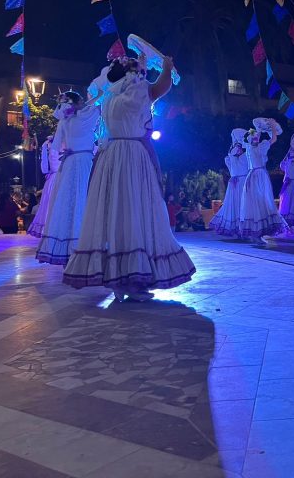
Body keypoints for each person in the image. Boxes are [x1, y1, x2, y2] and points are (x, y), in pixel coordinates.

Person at [63, 53, 196, 300]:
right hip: (132, 157)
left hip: (111, 157)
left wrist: (144, 67)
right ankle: (133, 280)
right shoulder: (136, 91)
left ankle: (118, 279)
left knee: (116, 214)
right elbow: (160, 88)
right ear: (131, 74)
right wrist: (166, 66)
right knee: (136, 212)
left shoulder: (110, 95)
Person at [36, 90, 101, 265]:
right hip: (85, 161)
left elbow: (57, 146)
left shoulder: (65, 121)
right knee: (86, 200)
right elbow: (97, 106)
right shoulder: (88, 117)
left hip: (70, 162)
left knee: (68, 203)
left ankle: (68, 248)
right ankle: (87, 245)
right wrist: (96, 96)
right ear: (79, 101)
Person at [238, 121, 287, 244]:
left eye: (257, 136)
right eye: (254, 137)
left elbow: (273, 138)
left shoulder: (260, 146)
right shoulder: (249, 147)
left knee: (262, 201)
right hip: (254, 176)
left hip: (259, 175)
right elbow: (248, 136)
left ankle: (259, 232)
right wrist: (258, 127)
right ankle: (256, 232)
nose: (256, 138)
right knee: (254, 203)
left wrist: (271, 125)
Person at [209, 129, 249, 237]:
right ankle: (237, 228)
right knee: (235, 205)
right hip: (236, 182)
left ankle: (244, 228)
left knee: (243, 205)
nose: (238, 148)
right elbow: (232, 157)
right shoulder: (232, 153)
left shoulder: (245, 154)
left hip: (243, 182)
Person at [27, 134, 61, 237]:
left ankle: (50, 229)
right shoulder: (68, 141)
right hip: (63, 176)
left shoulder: (46, 144)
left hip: (52, 177)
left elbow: (44, 168)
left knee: (50, 203)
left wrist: (48, 172)